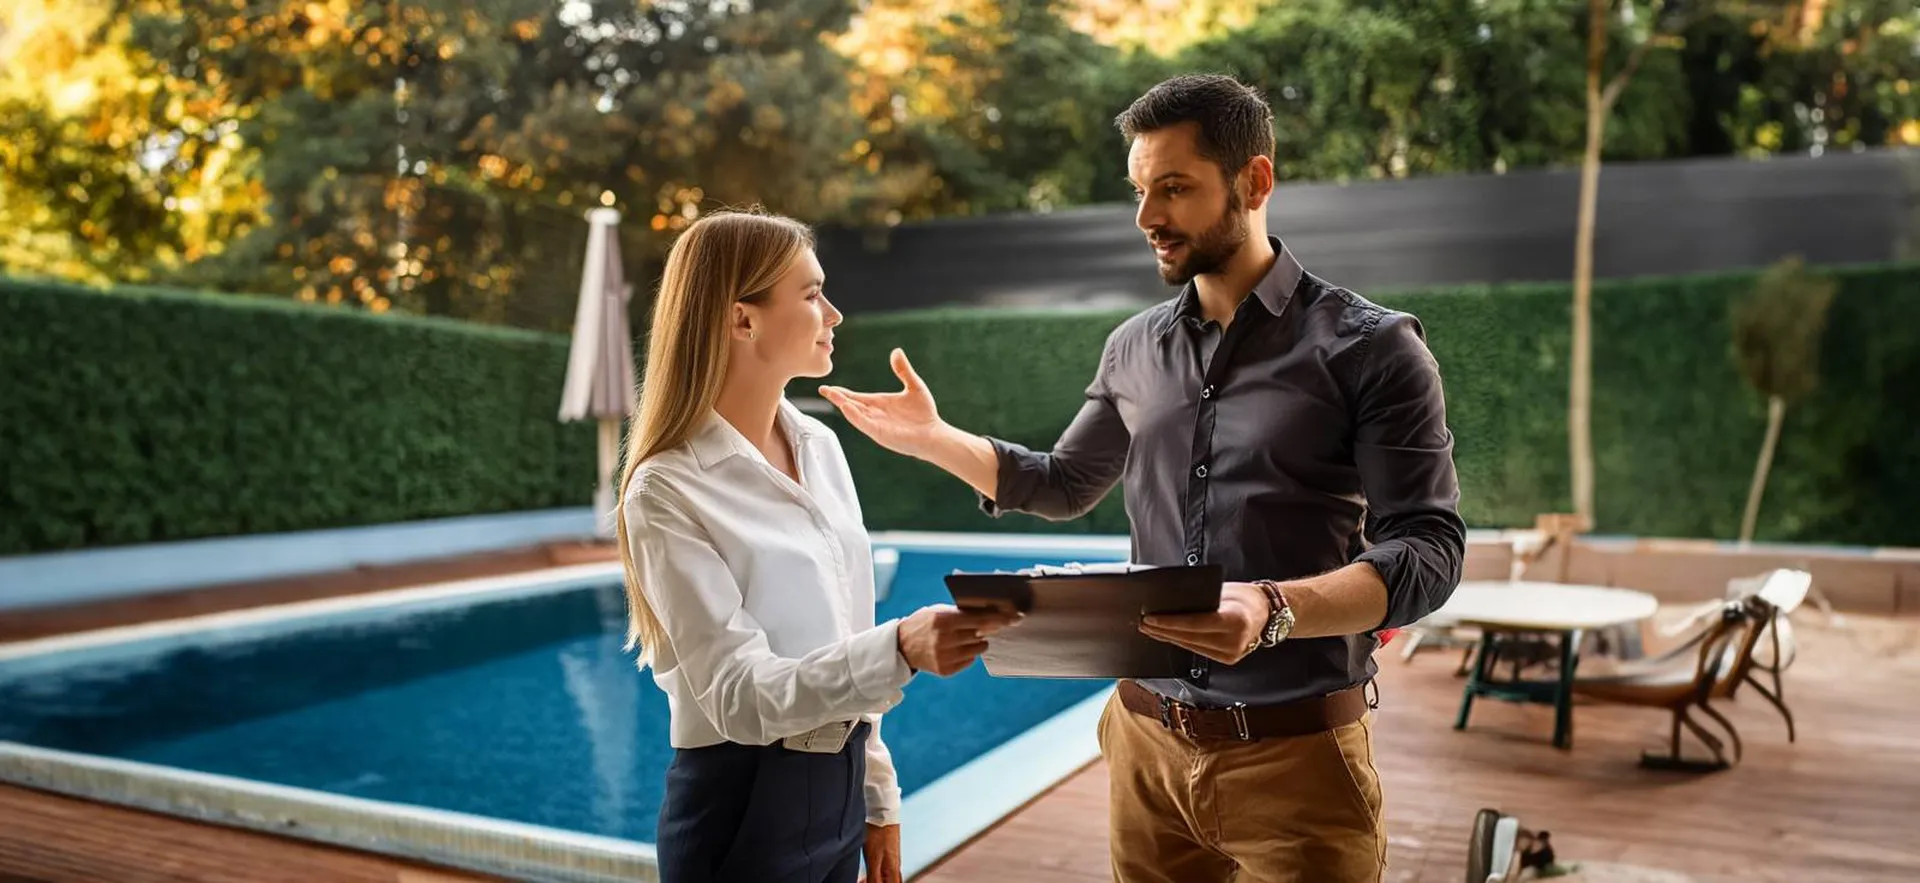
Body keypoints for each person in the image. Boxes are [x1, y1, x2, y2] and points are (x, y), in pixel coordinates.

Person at [819, 74, 1466, 882]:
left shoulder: (1371, 349)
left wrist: (1272, 609)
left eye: (1174, 189)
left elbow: (1429, 550)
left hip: (1299, 760)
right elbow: (1061, 482)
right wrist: (936, 439)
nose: (1146, 218)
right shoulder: (1133, 348)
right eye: (1139, 190)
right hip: (1143, 747)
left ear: (1255, 181)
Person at [615, 208, 1021, 883]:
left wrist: (877, 795)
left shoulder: (823, 448)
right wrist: (900, 649)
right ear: (741, 319)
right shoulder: (665, 489)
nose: (832, 314)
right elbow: (738, 697)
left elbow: (842, 632)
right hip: (738, 806)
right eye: (810, 294)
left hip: (841, 783)